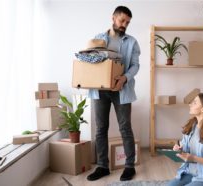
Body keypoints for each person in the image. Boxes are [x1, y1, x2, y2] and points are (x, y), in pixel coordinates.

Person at [87, 6, 140, 182]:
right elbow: (90, 61)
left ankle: (129, 166)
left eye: (127, 22)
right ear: (113, 18)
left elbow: (135, 65)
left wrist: (124, 78)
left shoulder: (132, 42)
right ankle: (102, 166)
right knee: (101, 129)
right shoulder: (98, 39)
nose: (124, 24)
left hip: (121, 90)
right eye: (122, 20)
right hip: (100, 90)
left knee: (125, 128)